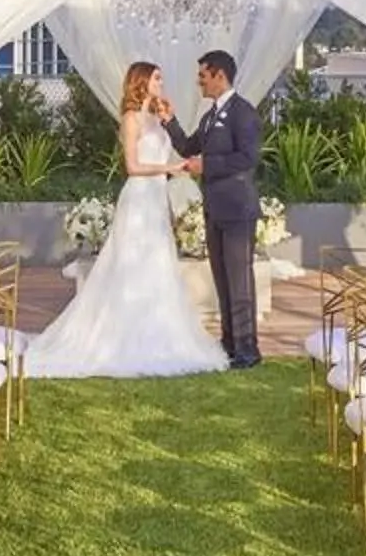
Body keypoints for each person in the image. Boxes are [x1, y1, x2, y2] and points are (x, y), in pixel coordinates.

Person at [23, 62, 230, 378]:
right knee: (131, 265)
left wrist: (174, 149)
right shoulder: (131, 119)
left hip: (157, 198)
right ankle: (117, 336)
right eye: (157, 77)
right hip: (138, 199)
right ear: (142, 82)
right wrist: (169, 169)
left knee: (158, 264)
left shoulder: (156, 119)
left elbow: (177, 147)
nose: (162, 82)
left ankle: (158, 331)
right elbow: (132, 166)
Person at [168, 49, 264, 368]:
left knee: (239, 281)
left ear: (219, 75)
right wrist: (169, 120)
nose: (199, 82)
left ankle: (248, 350)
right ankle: (230, 343)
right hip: (215, 210)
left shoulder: (243, 113)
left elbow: (248, 158)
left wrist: (207, 164)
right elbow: (187, 147)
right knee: (222, 280)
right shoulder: (210, 116)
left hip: (237, 210)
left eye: (202, 76)